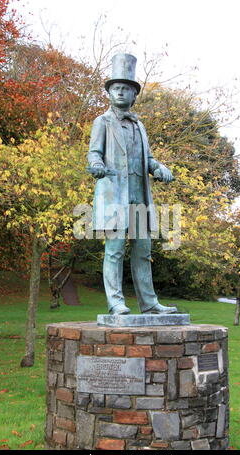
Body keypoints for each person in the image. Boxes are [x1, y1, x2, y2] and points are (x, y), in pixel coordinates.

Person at [87, 53, 177, 316]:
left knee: (142, 251)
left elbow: (147, 158)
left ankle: (149, 304)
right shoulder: (102, 122)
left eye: (126, 89)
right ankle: (115, 303)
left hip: (140, 197)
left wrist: (159, 167)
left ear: (134, 95)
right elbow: (94, 152)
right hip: (114, 196)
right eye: (116, 88)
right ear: (109, 93)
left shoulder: (140, 126)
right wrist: (97, 166)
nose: (120, 93)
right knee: (114, 251)